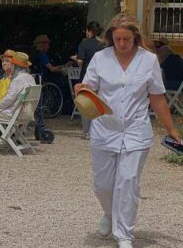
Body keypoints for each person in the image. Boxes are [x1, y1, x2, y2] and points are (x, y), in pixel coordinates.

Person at [74, 14, 182, 248]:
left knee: (128, 181)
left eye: (127, 39)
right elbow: (88, 88)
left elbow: (157, 98)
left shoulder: (148, 60)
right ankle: (109, 213)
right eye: (118, 39)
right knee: (103, 184)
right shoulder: (100, 58)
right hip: (104, 129)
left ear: (135, 38)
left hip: (136, 130)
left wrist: (171, 129)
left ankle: (124, 234)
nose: (122, 44)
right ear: (110, 38)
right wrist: (80, 88)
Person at [0, 52, 36, 153]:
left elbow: (8, 99)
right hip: (27, 113)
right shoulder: (30, 77)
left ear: (14, 66)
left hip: (15, 115)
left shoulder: (17, 79)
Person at [71, 22, 105, 139]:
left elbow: (80, 61)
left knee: (85, 104)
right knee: (99, 103)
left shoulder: (84, 44)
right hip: (102, 76)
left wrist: (75, 59)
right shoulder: (103, 45)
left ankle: (86, 132)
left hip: (87, 76)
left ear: (89, 31)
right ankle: (99, 130)